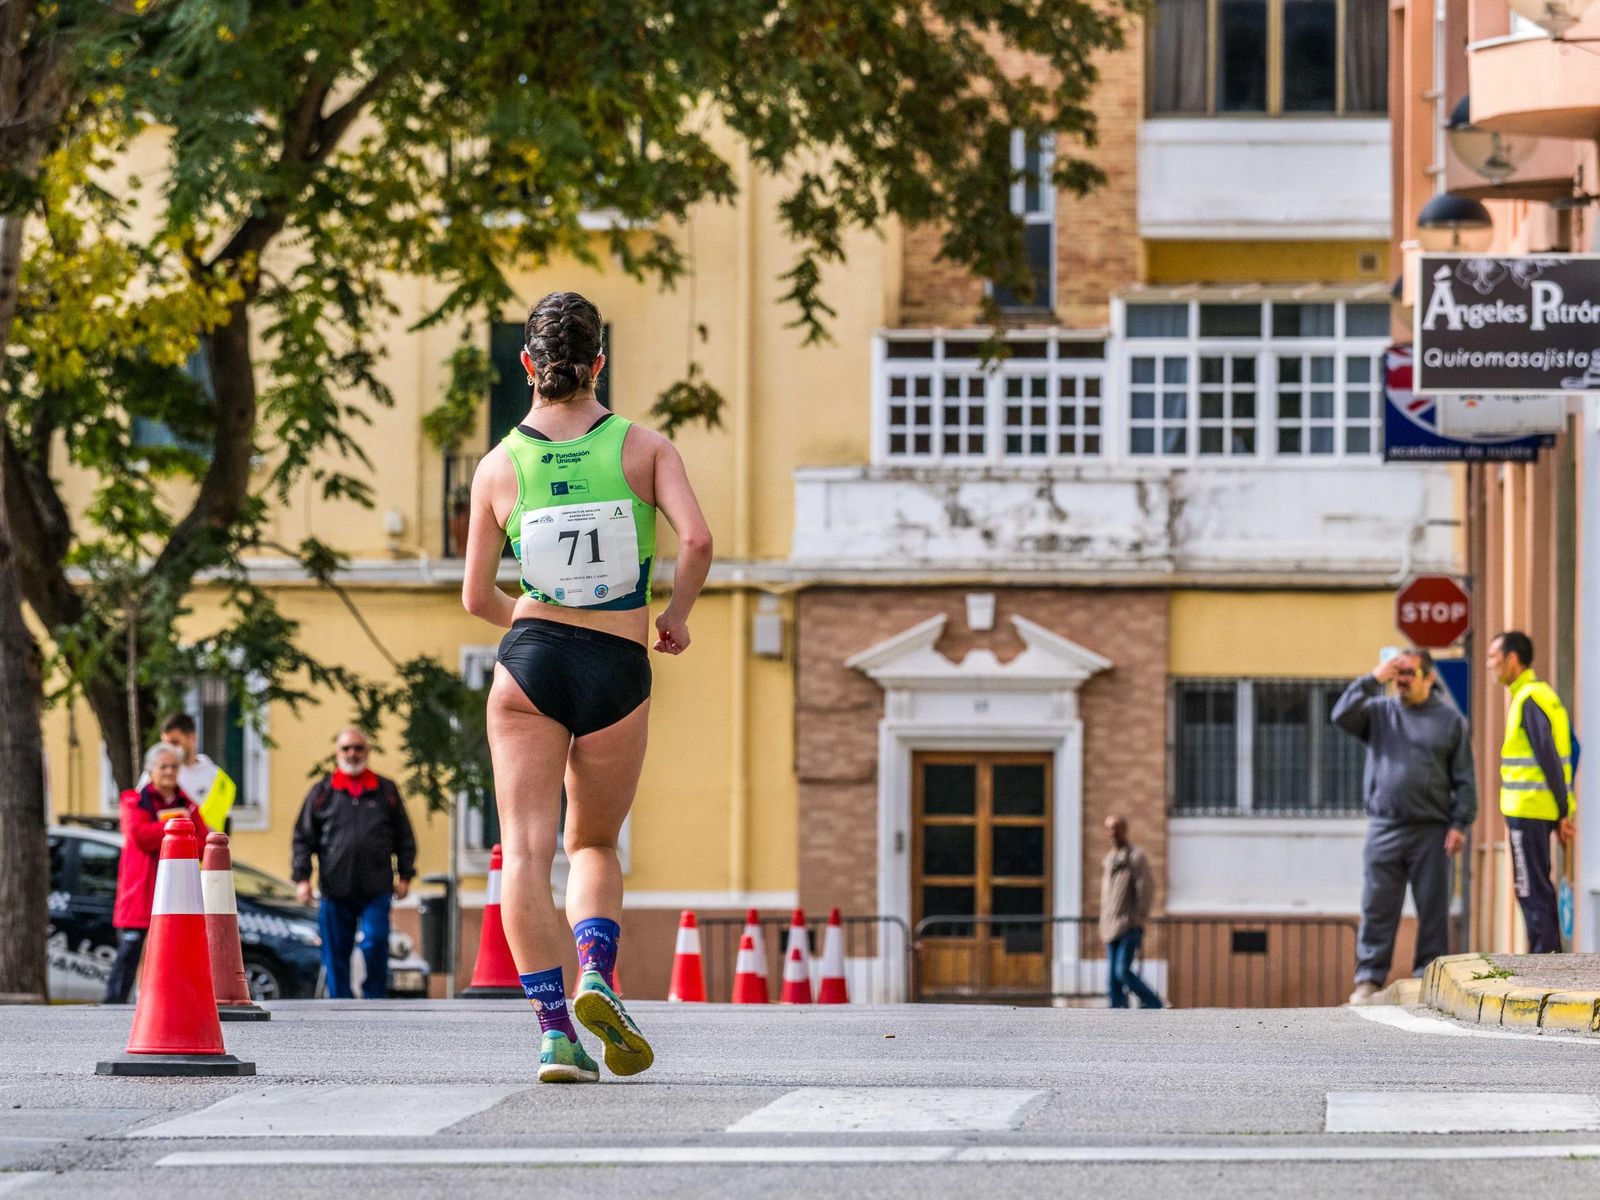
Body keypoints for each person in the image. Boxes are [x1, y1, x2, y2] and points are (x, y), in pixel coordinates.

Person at [461, 291, 713, 1083]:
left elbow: (475, 598)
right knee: (595, 843)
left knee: (525, 856)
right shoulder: (644, 448)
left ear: (527, 366)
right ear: (599, 363)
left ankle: (554, 1033)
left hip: (531, 661)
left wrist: (533, 623)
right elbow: (698, 540)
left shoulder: (499, 464)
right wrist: (672, 615)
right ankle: (598, 972)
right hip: (617, 665)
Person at [1332, 649, 1477, 1005]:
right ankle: (1368, 978)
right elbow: (1340, 714)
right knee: (1377, 905)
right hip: (1385, 827)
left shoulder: (1449, 720)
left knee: (1432, 907)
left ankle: (1429, 974)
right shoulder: (1379, 713)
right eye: (1397, 674)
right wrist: (1373, 677)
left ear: (1428, 678)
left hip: (1431, 830)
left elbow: (1465, 780)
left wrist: (1460, 823)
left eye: (1408, 673)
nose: (1401, 680)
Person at [290, 728, 417, 999]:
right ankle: (340, 1002)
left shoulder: (386, 790)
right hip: (335, 890)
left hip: (376, 888)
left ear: (367, 752)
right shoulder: (322, 791)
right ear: (337, 753)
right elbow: (303, 837)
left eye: (358, 748)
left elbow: (404, 836)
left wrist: (405, 875)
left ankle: (375, 998)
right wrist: (302, 880)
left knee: (375, 941)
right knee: (335, 951)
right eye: (346, 749)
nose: (352, 754)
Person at [1488, 631, 1574, 954]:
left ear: (1512, 659)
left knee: (1530, 887)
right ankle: (1548, 956)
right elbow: (1570, 751)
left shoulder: (1529, 699)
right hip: (1539, 808)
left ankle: (1544, 959)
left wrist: (1564, 811)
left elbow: (1549, 757)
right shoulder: (1539, 695)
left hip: (1529, 809)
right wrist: (1563, 810)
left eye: (1493, 658)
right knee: (1537, 884)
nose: (1489, 665)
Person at [105, 743, 209, 1003]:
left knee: (172, 954)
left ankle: (165, 1005)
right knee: (129, 953)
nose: (169, 772)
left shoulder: (189, 804)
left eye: (174, 767)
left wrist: (164, 829)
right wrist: (176, 827)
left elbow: (202, 843)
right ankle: (111, 1007)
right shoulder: (133, 800)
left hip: (175, 896)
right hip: (139, 892)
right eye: (163, 767)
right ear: (151, 771)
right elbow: (141, 836)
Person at [1100, 815, 1163, 1009]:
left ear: (1124, 830)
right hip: (1110, 926)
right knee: (1112, 980)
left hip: (1129, 925)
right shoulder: (1110, 859)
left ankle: (1154, 1002)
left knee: (1122, 972)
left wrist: (1138, 917)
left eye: (1116, 828)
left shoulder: (1135, 856)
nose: (1113, 832)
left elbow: (1146, 888)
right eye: (1109, 828)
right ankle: (1118, 1016)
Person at [139, 712, 238, 833]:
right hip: (162, 846)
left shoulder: (217, 778)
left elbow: (219, 825)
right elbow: (140, 817)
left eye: (174, 743)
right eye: (166, 744)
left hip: (200, 847)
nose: (169, 749)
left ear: (192, 738)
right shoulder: (154, 773)